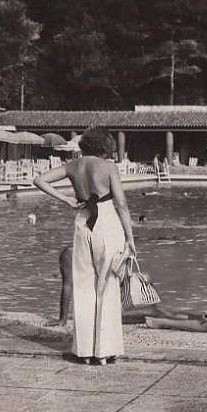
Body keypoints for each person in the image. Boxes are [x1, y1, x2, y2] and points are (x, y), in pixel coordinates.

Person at [33, 127, 136, 365]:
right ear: (104, 146)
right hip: (107, 220)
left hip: (82, 221)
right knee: (107, 283)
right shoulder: (109, 167)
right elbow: (121, 204)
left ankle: (85, 351)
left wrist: (67, 199)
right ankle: (105, 350)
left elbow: (39, 180)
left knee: (83, 285)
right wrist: (130, 237)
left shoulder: (73, 166)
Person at [47, 246, 195, 326]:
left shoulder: (72, 252)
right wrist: (63, 318)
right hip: (109, 307)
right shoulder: (75, 252)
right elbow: (67, 286)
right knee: (158, 313)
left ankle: (198, 318)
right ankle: (198, 319)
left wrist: (63, 318)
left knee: (158, 311)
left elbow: (67, 285)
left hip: (111, 304)